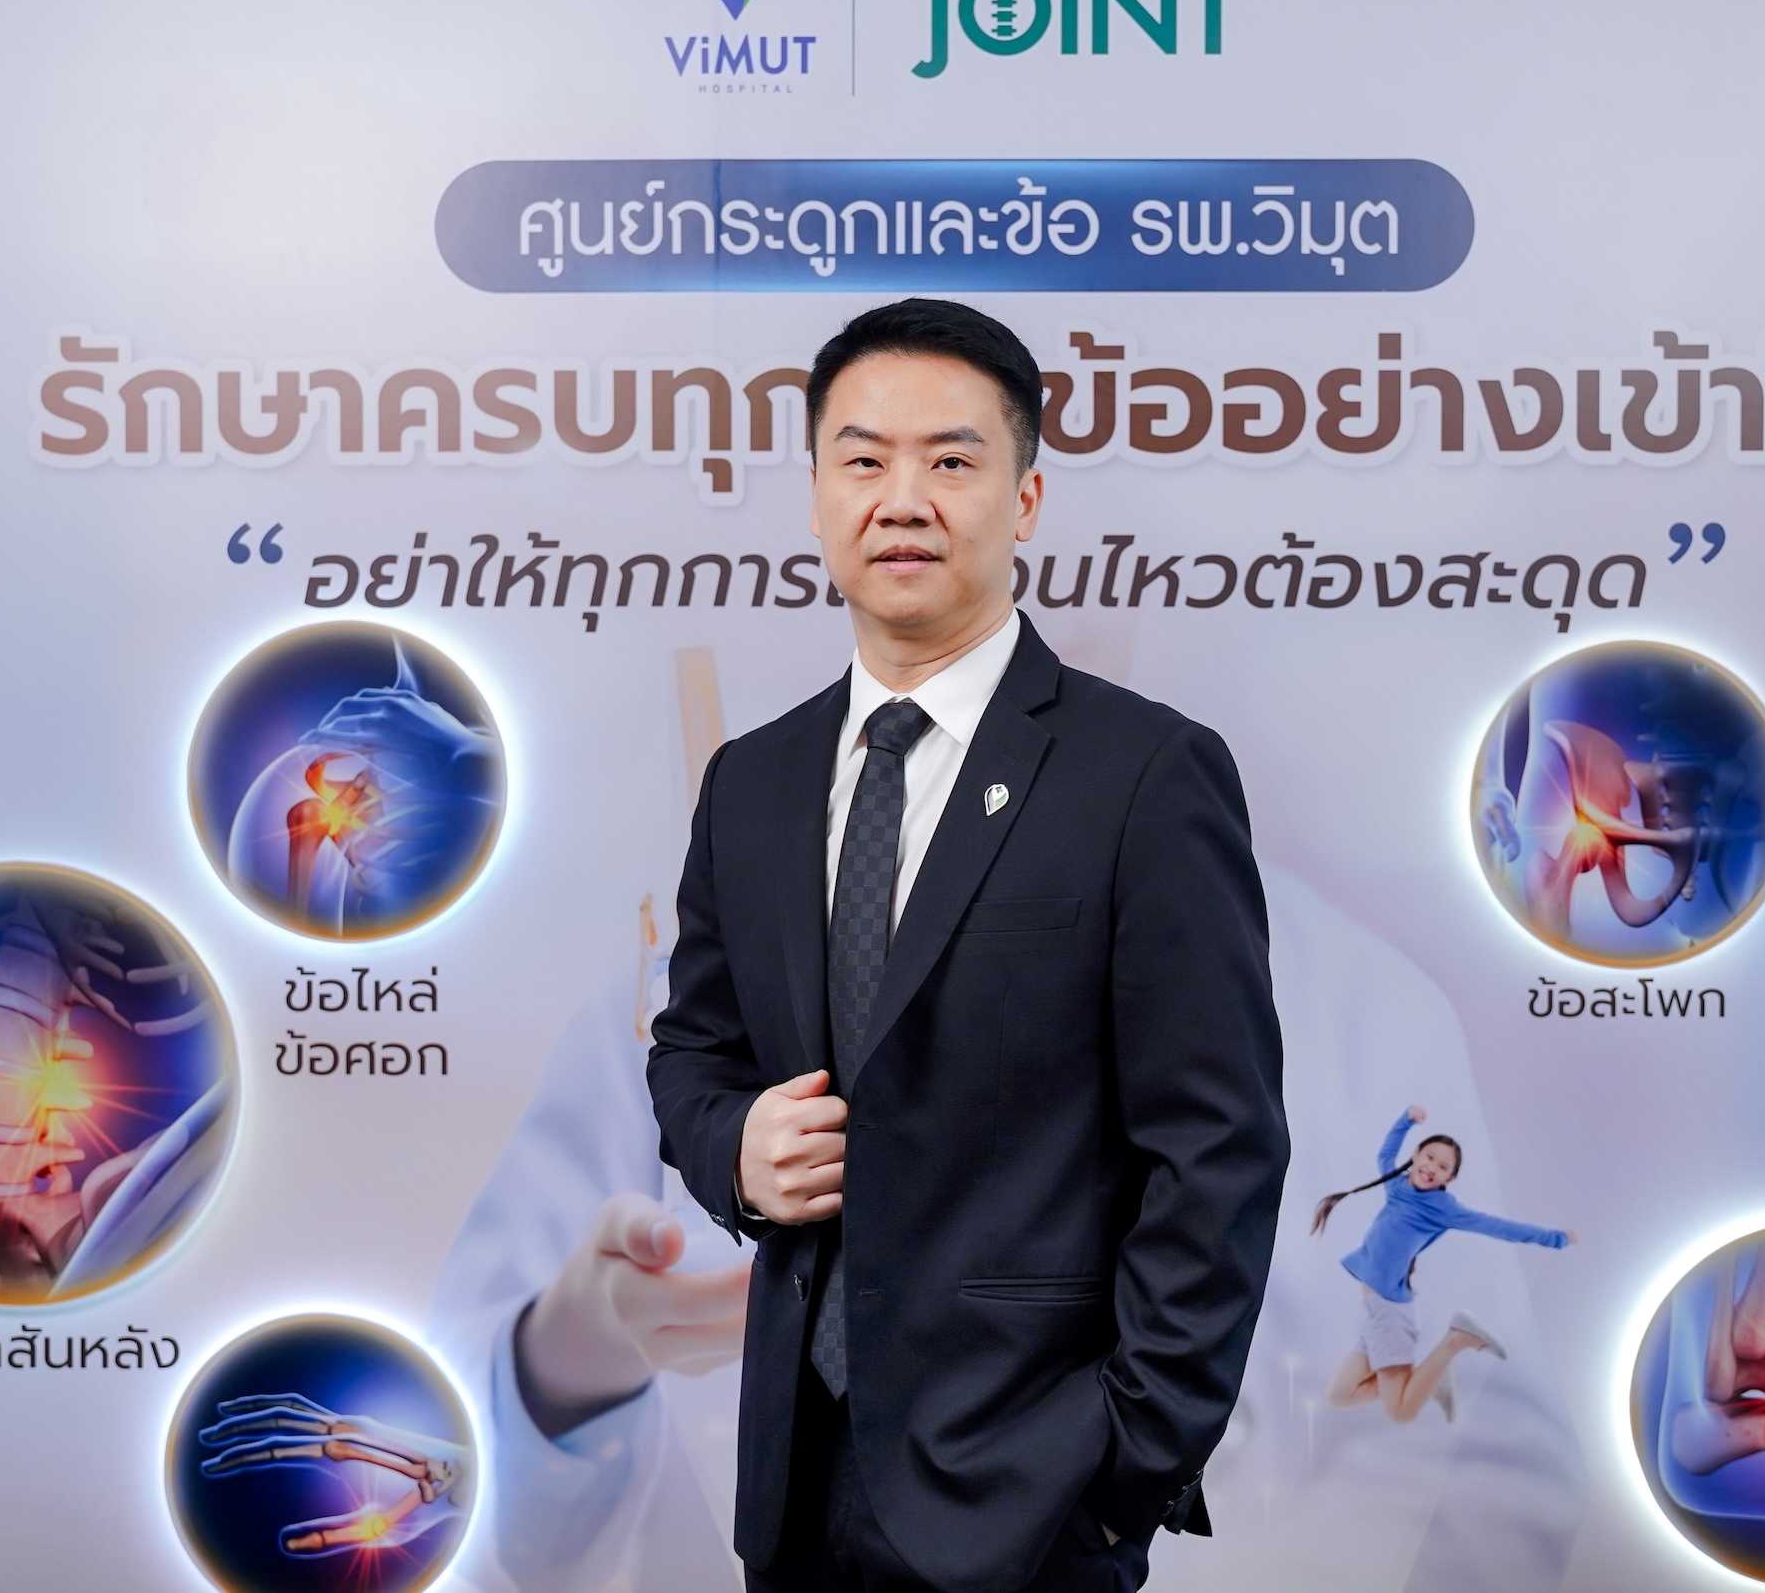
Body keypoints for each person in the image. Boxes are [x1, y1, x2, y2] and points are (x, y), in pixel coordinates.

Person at [525, 297, 1294, 1593]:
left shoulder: (1143, 776)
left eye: (950, 461)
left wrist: (1124, 1467)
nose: (902, 500)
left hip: (1034, 1498)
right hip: (790, 1485)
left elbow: (1217, 1148)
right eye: (862, 460)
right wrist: (734, 1150)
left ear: (1025, 500)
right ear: (816, 495)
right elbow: (692, 1052)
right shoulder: (753, 783)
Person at [1310, 1105, 1570, 1427]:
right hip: (1375, 1311)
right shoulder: (1398, 1186)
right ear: (1416, 1156)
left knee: (1400, 1412)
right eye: (1429, 1157)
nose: (1432, 1167)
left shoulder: (1444, 1208)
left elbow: (1497, 1226)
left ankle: (1455, 1340)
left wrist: (1555, 1239)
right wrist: (1406, 1120)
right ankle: (1430, 1378)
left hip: (1390, 1314)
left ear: (1450, 1178)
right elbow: (1385, 1155)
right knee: (1338, 1395)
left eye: (1443, 1166)